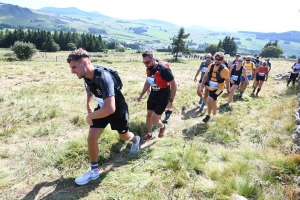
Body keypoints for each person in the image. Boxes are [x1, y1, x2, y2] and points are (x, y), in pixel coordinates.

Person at [67, 48, 140, 186]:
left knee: (124, 137)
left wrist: (90, 117)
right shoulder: (86, 76)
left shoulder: (103, 77)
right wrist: (89, 105)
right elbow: (89, 90)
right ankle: (94, 172)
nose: (72, 71)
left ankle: (136, 139)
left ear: (84, 62)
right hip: (102, 109)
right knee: (91, 139)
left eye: (74, 67)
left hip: (117, 111)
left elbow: (110, 108)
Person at [136, 51, 177, 140]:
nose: (145, 64)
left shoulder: (164, 70)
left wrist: (171, 100)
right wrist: (141, 95)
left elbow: (174, 85)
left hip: (163, 97)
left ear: (153, 59)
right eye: (144, 62)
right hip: (153, 96)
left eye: (147, 62)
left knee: (154, 120)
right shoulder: (149, 69)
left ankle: (162, 126)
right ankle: (149, 133)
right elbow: (147, 82)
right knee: (149, 116)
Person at [200, 52, 230, 122]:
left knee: (209, 99)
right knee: (214, 102)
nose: (217, 60)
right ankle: (214, 116)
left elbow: (227, 81)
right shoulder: (211, 66)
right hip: (211, 87)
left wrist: (228, 91)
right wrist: (201, 86)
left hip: (219, 89)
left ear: (222, 60)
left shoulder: (225, 70)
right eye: (216, 59)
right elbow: (205, 76)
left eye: (219, 59)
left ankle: (208, 115)